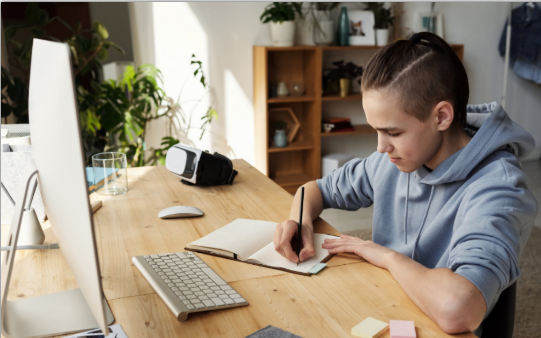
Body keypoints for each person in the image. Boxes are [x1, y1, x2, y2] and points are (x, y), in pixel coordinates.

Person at [273, 32, 538, 336]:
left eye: (393, 132)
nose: (380, 147)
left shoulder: (499, 189)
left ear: (441, 116)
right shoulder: (395, 159)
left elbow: (459, 309)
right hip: (382, 309)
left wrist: (385, 256)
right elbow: (314, 190)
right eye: (376, 130)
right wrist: (300, 221)